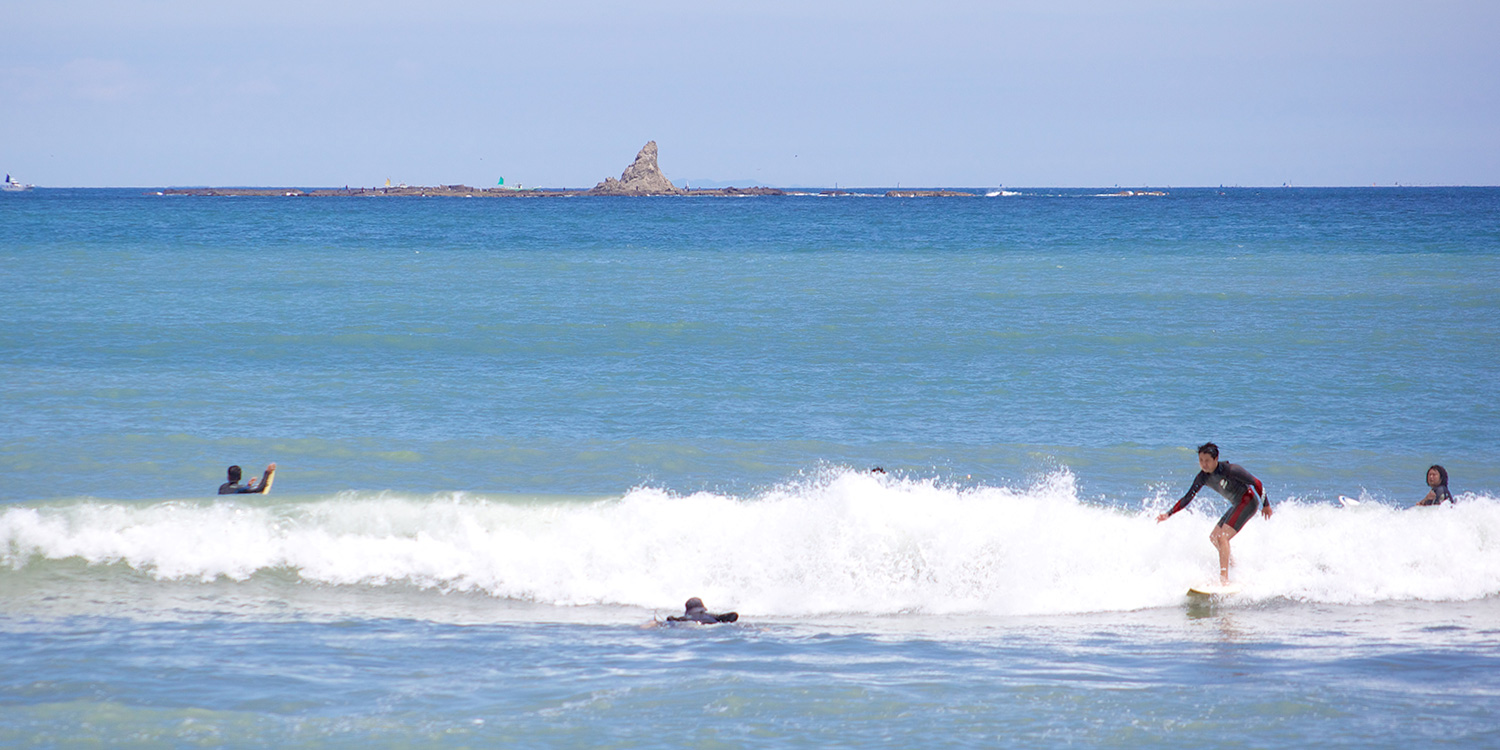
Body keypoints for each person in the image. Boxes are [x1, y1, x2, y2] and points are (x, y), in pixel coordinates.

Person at [1156, 443, 1271, 585]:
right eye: (1200, 461)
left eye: (1207, 461)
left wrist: (1266, 504)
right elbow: (1187, 498)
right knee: (1214, 537)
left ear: (1216, 458)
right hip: (1237, 504)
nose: (1203, 465)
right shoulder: (1202, 477)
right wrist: (1168, 514)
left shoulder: (1231, 470)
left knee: (1223, 537)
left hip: (1248, 502)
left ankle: (1224, 579)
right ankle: (1234, 567)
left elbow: (1257, 482)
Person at [665, 597, 738, 624]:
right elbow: (734, 615)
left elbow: (670, 619)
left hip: (693, 625)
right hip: (711, 624)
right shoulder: (711, 615)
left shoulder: (685, 618)